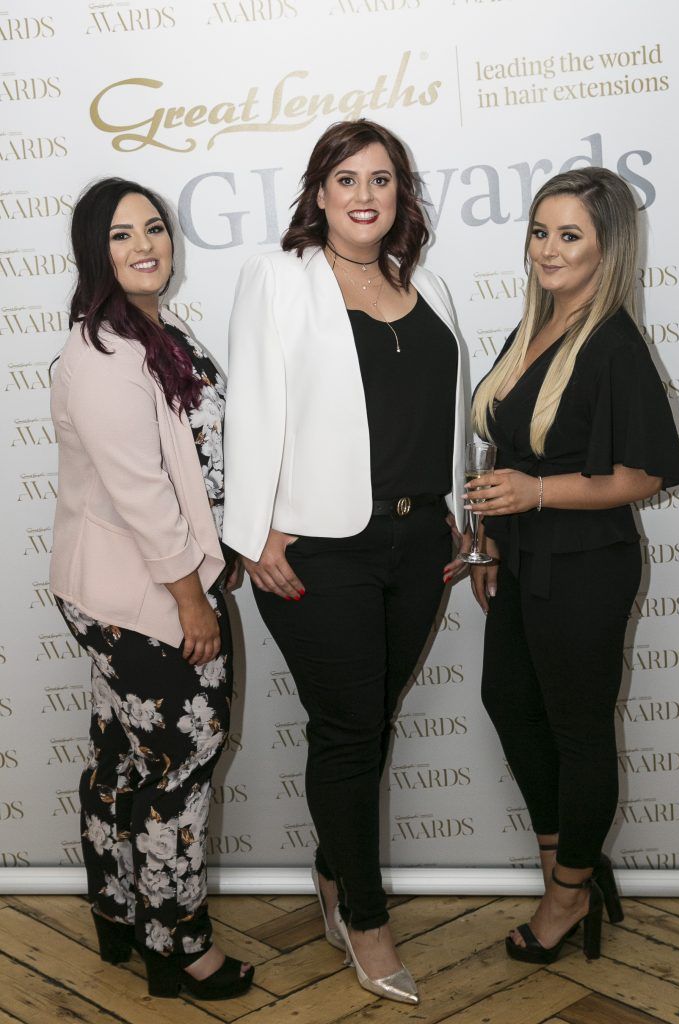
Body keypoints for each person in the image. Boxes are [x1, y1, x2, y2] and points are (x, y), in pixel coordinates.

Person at [223, 119, 465, 1004]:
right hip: (320, 547)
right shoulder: (277, 278)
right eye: (346, 178)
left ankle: (332, 871)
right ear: (318, 193)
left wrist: (459, 516)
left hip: (419, 541)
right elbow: (250, 406)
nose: (365, 194)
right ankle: (364, 917)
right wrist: (256, 532)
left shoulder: (426, 282)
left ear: (401, 195)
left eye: (383, 179)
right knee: (349, 729)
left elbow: (442, 412)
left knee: (371, 723)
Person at [467, 167, 679, 964]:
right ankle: (571, 864)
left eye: (569, 235)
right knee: (507, 700)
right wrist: (493, 538)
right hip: (524, 560)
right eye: (538, 231)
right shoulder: (533, 327)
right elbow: (509, 439)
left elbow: (643, 476)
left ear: (607, 249)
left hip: (588, 565)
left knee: (579, 732)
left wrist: (531, 494)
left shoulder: (615, 342)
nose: (547, 249)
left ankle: (565, 896)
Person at [50, 177, 253, 1001]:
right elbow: (141, 491)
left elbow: (191, 464)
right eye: (122, 234)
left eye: (156, 228)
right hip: (140, 595)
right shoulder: (101, 352)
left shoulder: (152, 331)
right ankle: (179, 947)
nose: (145, 244)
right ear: (93, 252)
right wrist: (190, 598)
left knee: (122, 757)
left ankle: (120, 912)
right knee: (181, 766)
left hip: (135, 585)